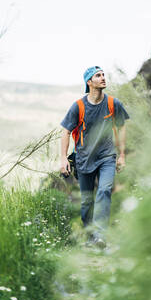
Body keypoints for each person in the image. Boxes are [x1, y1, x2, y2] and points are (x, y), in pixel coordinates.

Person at [60, 66, 129, 248]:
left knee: (105, 190)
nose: (103, 77)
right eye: (98, 75)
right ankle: (91, 235)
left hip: (107, 156)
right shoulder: (79, 106)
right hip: (84, 159)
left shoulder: (114, 104)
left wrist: (121, 155)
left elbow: (121, 126)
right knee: (86, 201)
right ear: (89, 82)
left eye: (103, 74)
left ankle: (100, 234)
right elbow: (66, 131)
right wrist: (63, 159)